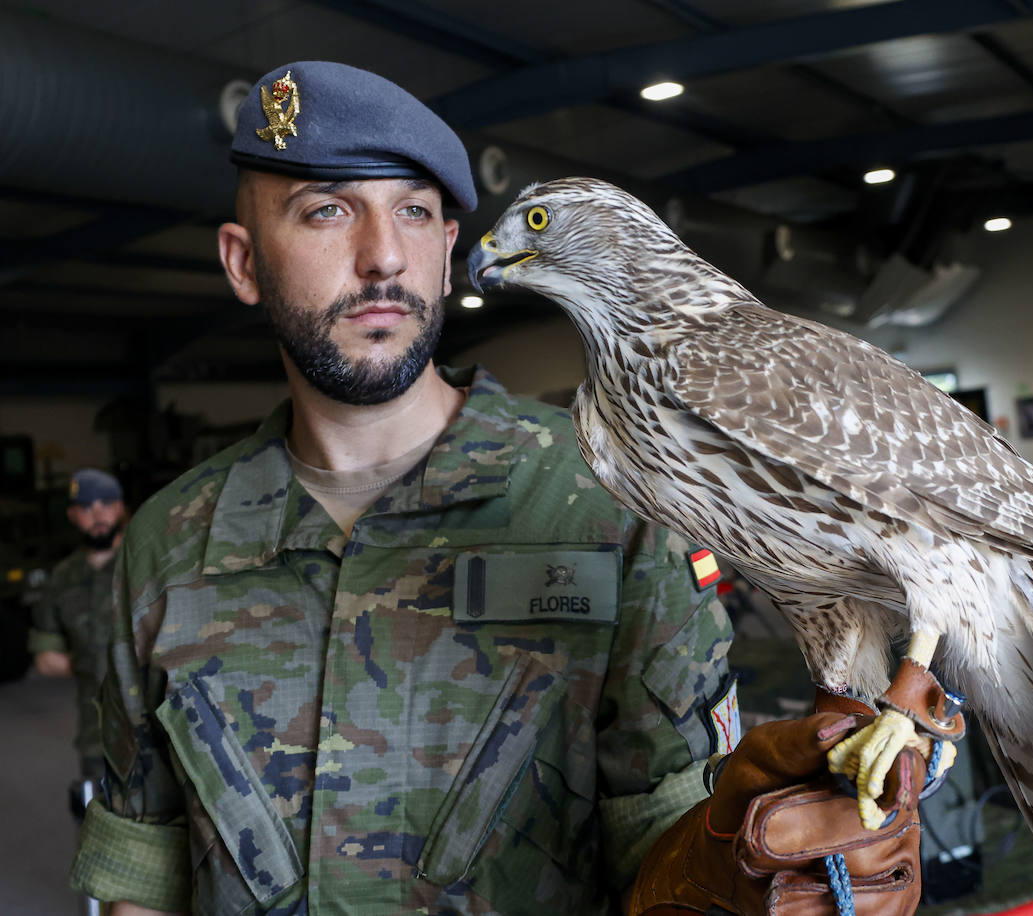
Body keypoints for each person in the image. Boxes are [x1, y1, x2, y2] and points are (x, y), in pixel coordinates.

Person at [70, 62, 924, 916]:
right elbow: (142, 864)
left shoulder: (613, 501)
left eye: (414, 212)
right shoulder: (169, 544)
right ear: (244, 262)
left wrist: (736, 864)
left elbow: (665, 834)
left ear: (448, 253)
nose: (381, 257)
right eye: (326, 210)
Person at [28, 468, 126, 782]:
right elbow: (47, 660)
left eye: (106, 504)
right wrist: (93, 661)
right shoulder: (62, 577)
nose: (97, 515)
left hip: (157, 725)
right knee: (99, 816)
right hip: (95, 729)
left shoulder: (144, 562)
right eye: (86, 508)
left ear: (120, 508)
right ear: (72, 515)